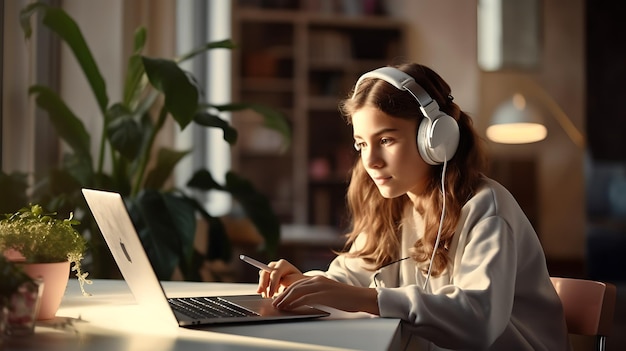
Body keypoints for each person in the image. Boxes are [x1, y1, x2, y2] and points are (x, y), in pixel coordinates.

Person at [256, 63, 571, 350]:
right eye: (362, 144)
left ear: (435, 138)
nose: (371, 162)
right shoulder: (393, 204)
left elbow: (478, 322)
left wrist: (363, 299)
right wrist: (306, 283)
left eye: (387, 140)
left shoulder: (487, 208)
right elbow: (354, 276)